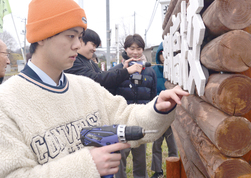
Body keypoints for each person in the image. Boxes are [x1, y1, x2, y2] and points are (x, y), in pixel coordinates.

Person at [0, 0, 189, 178]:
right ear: (41, 37)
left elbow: (126, 118)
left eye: (79, 37)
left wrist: (158, 109)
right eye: (70, 36)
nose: (78, 45)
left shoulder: (85, 87)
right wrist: (86, 166)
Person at [110, 34, 157, 178]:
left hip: (140, 119)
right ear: (125, 49)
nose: (135, 52)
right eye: (132, 48)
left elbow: (152, 97)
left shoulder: (149, 71)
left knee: (140, 159)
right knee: (120, 158)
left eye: (139, 48)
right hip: (121, 121)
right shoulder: (117, 71)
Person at [65, 28, 143, 94]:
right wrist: (126, 71)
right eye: (93, 45)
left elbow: (105, 84)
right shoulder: (73, 61)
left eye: (139, 49)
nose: (94, 49)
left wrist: (123, 71)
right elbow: (96, 80)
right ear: (81, 41)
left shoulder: (91, 63)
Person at [150, 42, 178, 178]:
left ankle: (175, 168)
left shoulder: (177, 71)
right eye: (163, 53)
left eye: (169, 53)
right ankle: (157, 170)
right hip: (158, 113)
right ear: (158, 55)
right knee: (157, 144)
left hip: (174, 114)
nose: (165, 57)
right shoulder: (153, 71)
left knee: (173, 144)